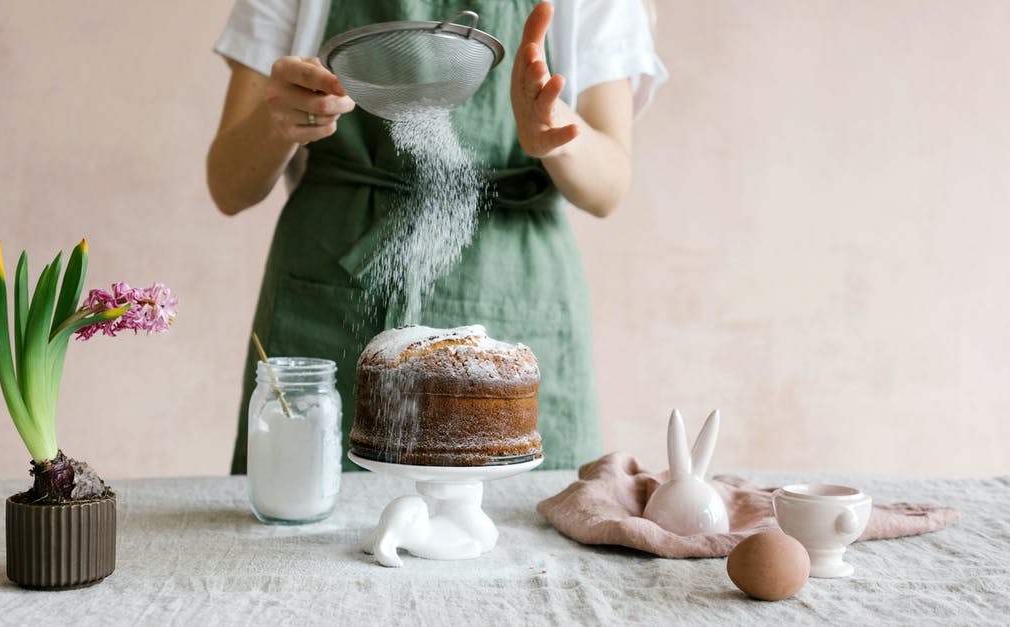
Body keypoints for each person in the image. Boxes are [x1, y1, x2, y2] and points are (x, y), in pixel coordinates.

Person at [207, 0, 667, 474]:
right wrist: (279, 119)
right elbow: (228, 185)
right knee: (299, 529)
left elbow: (609, 188)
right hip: (329, 292)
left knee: (521, 532)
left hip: (514, 286)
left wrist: (555, 131)